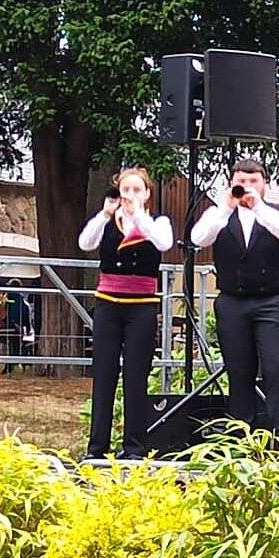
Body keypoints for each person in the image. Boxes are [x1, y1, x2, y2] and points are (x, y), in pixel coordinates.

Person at [189, 158, 279, 436]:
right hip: (232, 301)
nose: (247, 187)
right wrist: (227, 207)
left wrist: (259, 208)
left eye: (254, 181)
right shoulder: (219, 212)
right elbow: (199, 238)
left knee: (275, 366)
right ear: (232, 184)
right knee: (239, 369)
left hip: (271, 301)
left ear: (265, 184)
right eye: (241, 181)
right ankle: (241, 431)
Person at [79, 166, 175, 458]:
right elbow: (85, 243)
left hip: (141, 307)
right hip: (108, 304)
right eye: (126, 190)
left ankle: (135, 447)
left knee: (136, 376)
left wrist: (138, 215)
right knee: (104, 374)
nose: (130, 195)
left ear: (147, 193)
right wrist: (105, 214)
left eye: (137, 190)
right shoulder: (108, 221)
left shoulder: (157, 221)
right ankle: (97, 448)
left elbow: (164, 243)